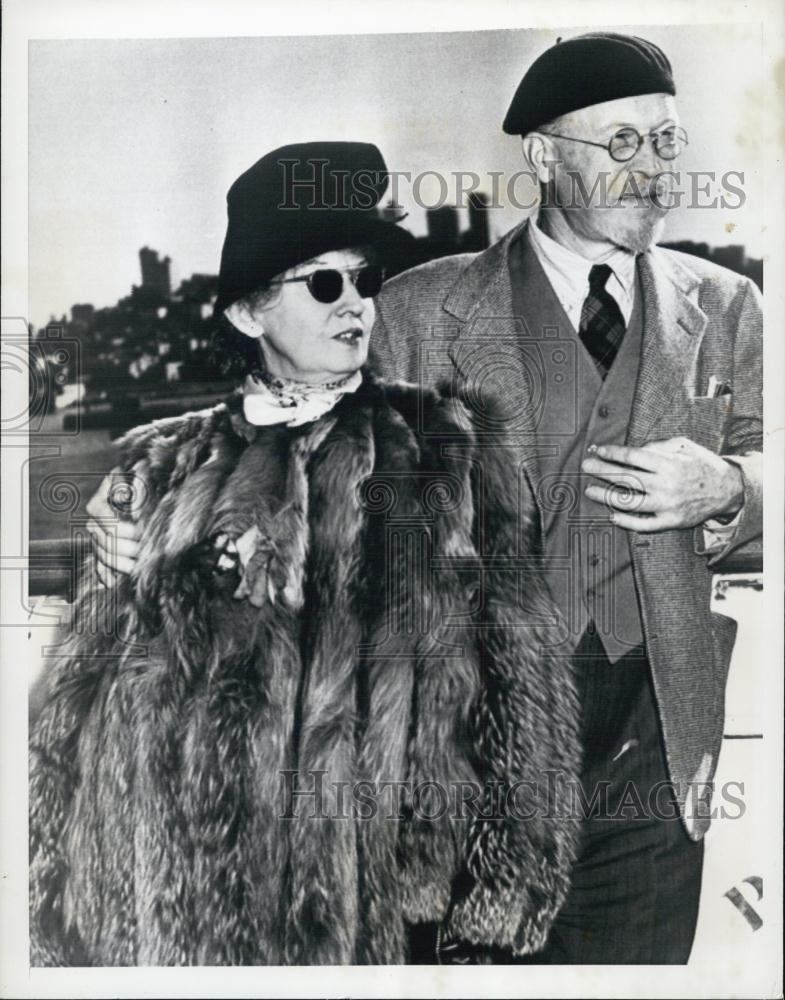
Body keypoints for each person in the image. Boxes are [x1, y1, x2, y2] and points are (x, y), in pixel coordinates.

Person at [29, 141, 582, 966]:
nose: (354, 302)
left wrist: (501, 898)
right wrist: (55, 897)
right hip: (204, 915)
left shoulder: (450, 446)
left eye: (365, 279)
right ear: (248, 314)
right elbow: (85, 703)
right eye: (324, 282)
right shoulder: (160, 466)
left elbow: (522, 684)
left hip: (398, 918)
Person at [368, 33, 763, 963]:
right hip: (470, 771)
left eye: (665, 145)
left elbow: (764, 466)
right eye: (620, 145)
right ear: (544, 157)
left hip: (654, 758)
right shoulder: (417, 312)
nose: (654, 172)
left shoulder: (729, 306)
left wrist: (734, 485)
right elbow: (347, 511)